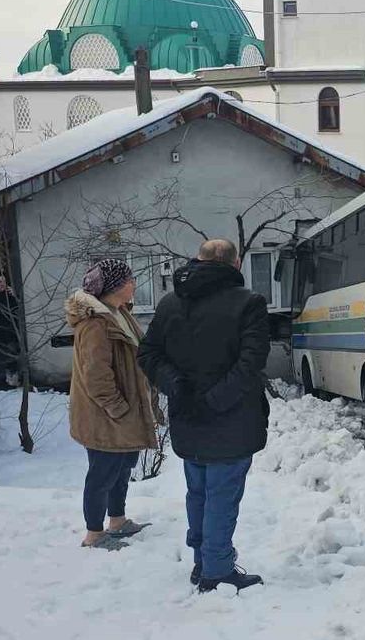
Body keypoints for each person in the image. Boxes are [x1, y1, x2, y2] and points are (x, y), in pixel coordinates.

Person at [140, 239, 269, 593]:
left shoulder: (169, 303)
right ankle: (217, 570)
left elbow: (148, 354)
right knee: (221, 498)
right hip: (231, 418)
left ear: (197, 259)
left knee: (198, 494)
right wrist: (214, 399)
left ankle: (203, 561)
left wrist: (175, 385)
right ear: (236, 264)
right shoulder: (250, 303)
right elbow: (251, 362)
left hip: (188, 417)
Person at [66, 258, 157, 550]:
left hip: (124, 412)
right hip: (105, 415)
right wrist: (118, 408)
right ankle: (94, 534)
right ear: (116, 286)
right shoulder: (96, 324)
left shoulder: (119, 313)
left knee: (122, 468)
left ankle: (117, 521)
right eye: (129, 280)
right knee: (102, 473)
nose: (134, 284)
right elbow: (96, 376)